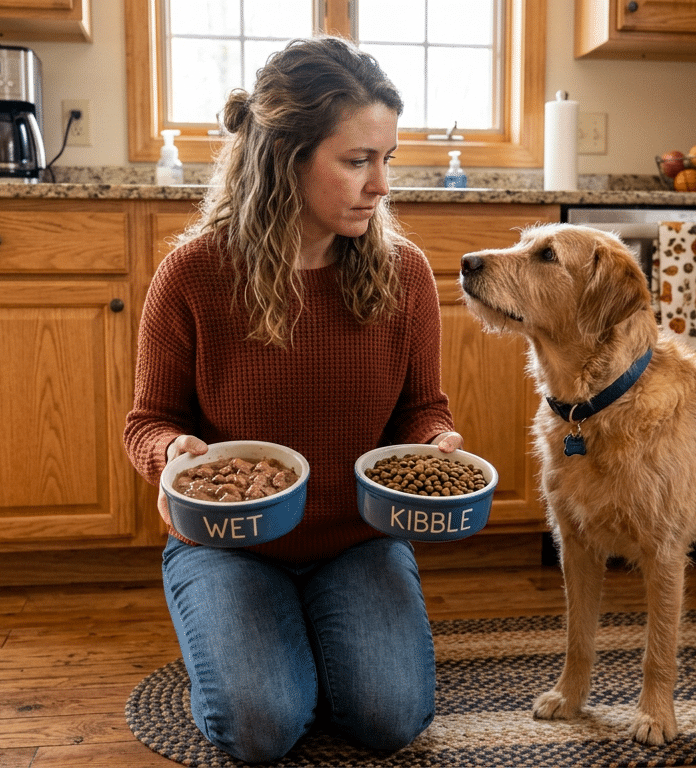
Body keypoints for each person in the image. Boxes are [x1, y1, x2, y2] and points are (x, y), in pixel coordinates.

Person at [123, 36, 463, 763]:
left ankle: (304, 627)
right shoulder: (192, 274)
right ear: (286, 158)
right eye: (357, 160)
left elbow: (421, 409)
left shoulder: (404, 276)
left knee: (390, 720)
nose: (381, 186)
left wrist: (436, 443)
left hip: (358, 538)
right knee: (261, 728)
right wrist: (171, 455)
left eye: (387, 160)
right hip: (227, 546)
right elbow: (148, 422)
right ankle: (246, 632)